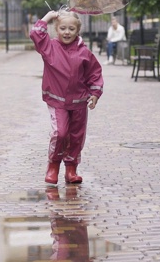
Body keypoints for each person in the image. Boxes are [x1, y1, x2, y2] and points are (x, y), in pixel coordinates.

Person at [30, 10, 104, 185]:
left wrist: (95, 93)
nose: (67, 32)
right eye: (63, 28)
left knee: (77, 136)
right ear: (56, 29)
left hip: (79, 102)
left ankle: (71, 169)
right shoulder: (50, 48)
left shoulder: (84, 52)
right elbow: (36, 34)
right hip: (58, 101)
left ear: (77, 31)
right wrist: (47, 16)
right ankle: (53, 165)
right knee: (61, 133)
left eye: (71, 28)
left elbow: (94, 73)